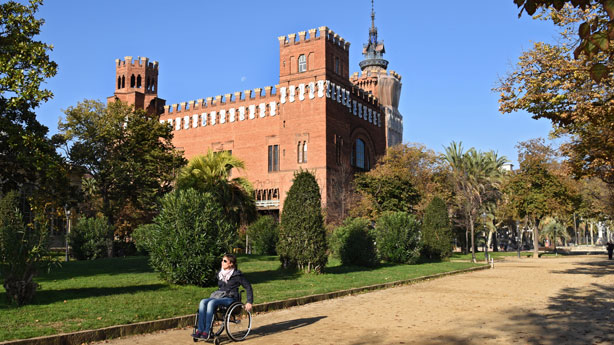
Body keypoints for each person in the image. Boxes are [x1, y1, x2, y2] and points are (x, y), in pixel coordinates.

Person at [193, 254, 253, 340]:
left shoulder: (237, 275)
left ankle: (207, 331)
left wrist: (249, 302)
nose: (222, 262)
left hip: (231, 298)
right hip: (220, 296)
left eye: (225, 261)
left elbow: (248, 287)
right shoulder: (220, 274)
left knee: (212, 302)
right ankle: (199, 330)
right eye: (222, 260)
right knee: (203, 301)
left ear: (231, 264)